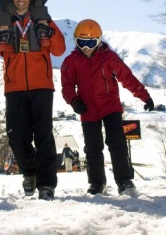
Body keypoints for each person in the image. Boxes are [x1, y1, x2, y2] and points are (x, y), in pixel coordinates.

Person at [0, 0, 66, 200]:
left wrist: (50, 32)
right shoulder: (3, 20)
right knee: (16, 137)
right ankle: (30, 172)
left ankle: (47, 184)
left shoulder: (42, 19)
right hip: (15, 87)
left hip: (42, 85)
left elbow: (59, 50)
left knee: (44, 136)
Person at [60, 19, 155, 196]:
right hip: (87, 109)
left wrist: (145, 96)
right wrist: (74, 101)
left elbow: (127, 78)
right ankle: (97, 183)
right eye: (82, 42)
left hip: (110, 106)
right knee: (92, 148)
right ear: (75, 41)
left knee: (117, 143)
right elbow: (66, 86)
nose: (86, 47)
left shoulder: (108, 57)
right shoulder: (71, 61)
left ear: (98, 41)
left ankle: (124, 181)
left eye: (91, 43)